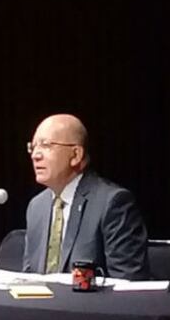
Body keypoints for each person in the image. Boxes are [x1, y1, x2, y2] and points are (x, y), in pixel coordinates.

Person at [22, 114, 150, 280]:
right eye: (33, 147)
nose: (35, 155)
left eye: (46, 145)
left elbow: (128, 283)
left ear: (76, 154)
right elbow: (29, 276)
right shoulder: (37, 206)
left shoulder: (112, 203)